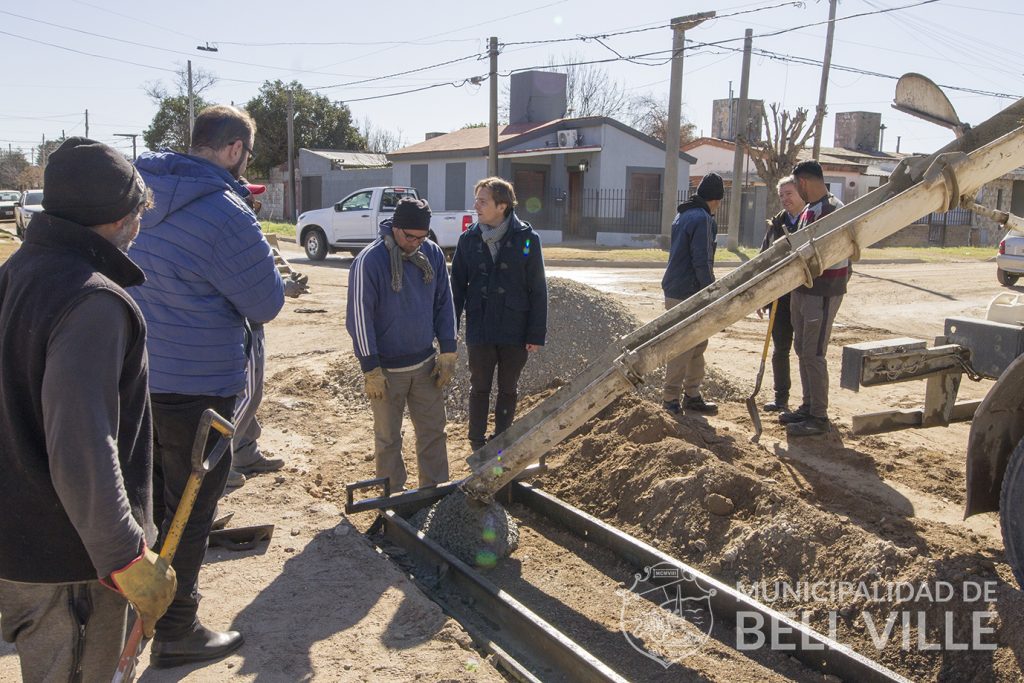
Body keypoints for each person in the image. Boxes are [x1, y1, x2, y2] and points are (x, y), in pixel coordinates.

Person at [0, 137, 176, 680]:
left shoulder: (18, 271)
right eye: (140, 210)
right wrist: (124, 558)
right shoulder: (91, 300)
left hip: (20, 545)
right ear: (122, 217)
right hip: (70, 566)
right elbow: (82, 447)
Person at [129, 104, 285, 667]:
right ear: (235, 150)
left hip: (135, 379)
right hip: (200, 390)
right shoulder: (224, 213)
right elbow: (266, 302)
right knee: (189, 510)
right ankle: (176, 628)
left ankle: (134, 612)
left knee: (141, 503)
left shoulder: (135, 195)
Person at [346, 197, 457, 490]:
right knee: (388, 439)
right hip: (386, 372)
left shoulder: (431, 254)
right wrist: (370, 368)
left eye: (422, 237)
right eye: (410, 237)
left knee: (433, 432)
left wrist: (448, 350)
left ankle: (432, 494)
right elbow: (359, 318)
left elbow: (445, 303)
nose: (416, 243)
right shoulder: (369, 261)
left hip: (425, 367)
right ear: (395, 228)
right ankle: (391, 496)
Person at [451, 177, 548, 451]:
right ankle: (476, 441)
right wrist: (450, 329)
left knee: (508, 387)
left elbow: (538, 289)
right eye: (476, 200)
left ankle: (502, 438)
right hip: (480, 326)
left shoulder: (528, 239)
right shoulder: (468, 240)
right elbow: (456, 288)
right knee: (479, 386)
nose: (476, 206)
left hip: (514, 328)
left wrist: (535, 334)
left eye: (483, 201)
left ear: (502, 205)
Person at [228, 182, 307, 489]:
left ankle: (245, 452)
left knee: (248, 395)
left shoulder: (246, 233)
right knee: (247, 394)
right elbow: (244, 285)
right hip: (240, 324)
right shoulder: (233, 235)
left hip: (250, 321)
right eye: (252, 203)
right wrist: (282, 289)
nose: (254, 208)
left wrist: (283, 284)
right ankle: (218, 464)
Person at [780, 159, 848, 436]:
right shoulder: (811, 210)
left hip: (821, 292)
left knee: (814, 352)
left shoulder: (833, 210)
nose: (796, 192)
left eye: (796, 186)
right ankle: (807, 406)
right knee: (802, 349)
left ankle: (819, 416)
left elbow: (828, 254)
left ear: (804, 182)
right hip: (803, 290)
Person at [660, 172, 724, 415]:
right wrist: (711, 291)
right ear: (717, 200)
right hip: (688, 291)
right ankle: (670, 398)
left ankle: (692, 394)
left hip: (675, 287)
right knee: (684, 345)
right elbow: (702, 260)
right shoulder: (703, 219)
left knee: (698, 343)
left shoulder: (684, 214)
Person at [759, 176, 804, 413]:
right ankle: (781, 398)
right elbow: (763, 259)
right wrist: (761, 295)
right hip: (780, 297)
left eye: (789, 193)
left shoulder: (811, 219)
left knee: (806, 351)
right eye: (782, 195)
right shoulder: (776, 224)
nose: (785, 199)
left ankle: (810, 404)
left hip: (806, 295)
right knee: (781, 349)